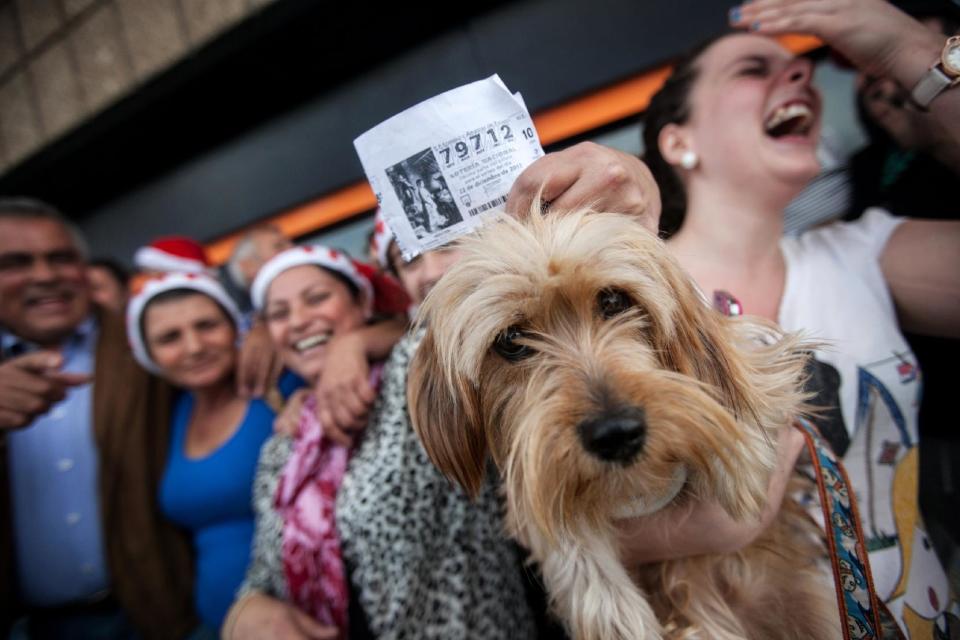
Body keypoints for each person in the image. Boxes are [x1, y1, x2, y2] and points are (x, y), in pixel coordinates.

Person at [642, 0, 960, 634]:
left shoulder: (864, 253)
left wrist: (914, 53)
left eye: (803, 69)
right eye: (754, 68)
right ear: (679, 141)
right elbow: (552, 521)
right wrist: (684, 531)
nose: (803, 79)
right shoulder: (631, 300)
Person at [0, 198, 195, 639]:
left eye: (61, 258)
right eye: (16, 262)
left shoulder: (144, 340)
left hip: (158, 616)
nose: (45, 275)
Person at [223, 246, 392, 640]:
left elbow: (435, 322)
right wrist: (244, 612)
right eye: (279, 314)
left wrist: (358, 343)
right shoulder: (282, 445)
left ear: (363, 302)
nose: (298, 321)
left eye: (317, 298)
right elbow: (263, 573)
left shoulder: (416, 381)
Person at [125, 274, 276, 638]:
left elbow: (395, 336)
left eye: (207, 325)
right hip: (213, 625)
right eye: (169, 338)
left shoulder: (278, 383)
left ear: (234, 326)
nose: (193, 347)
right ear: (149, 355)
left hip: (296, 619)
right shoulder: (169, 415)